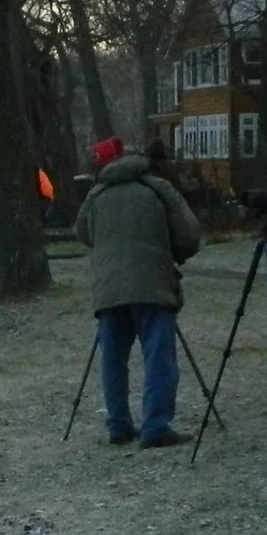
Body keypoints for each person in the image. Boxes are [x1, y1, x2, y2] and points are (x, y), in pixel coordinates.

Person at [73, 137, 203, 447]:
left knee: (113, 360)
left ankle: (118, 425)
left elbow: (82, 233)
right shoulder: (158, 188)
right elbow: (189, 235)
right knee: (158, 358)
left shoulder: (97, 192)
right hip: (152, 283)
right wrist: (171, 251)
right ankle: (155, 426)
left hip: (109, 287)